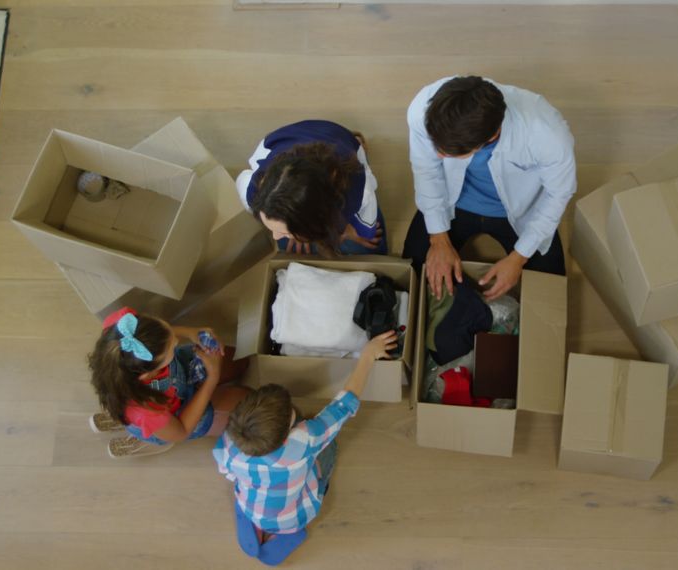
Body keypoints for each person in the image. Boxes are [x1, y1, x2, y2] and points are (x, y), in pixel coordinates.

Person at [213, 331, 397, 566]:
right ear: (287, 434)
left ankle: (261, 524)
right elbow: (344, 405)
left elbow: (226, 470)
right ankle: (284, 530)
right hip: (296, 516)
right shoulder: (303, 440)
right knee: (329, 447)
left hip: (252, 507)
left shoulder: (230, 440)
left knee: (258, 497)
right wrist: (368, 355)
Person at [402, 76, 576, 300]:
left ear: (491, 137)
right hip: (452, 201)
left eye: (448, 152)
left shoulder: (547, 134)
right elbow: (427, 170)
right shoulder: (423, 108)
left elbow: (558, 194)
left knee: (549, 292)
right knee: (411, 278)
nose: (437, 155)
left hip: (520, 209)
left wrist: (518, 257)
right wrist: (438, 239)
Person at [87, 307, 251, 459]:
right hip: (178, 418)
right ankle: (148, 436)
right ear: (146, 374)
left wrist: (189, 332)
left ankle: (131, 422)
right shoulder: (145, 409)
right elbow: (181, 431)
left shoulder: (124, 325)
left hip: (175, 379)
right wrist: (212, 379)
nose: (177, 341)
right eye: (171, 347)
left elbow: (159, 334)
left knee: (241, 360)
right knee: (248, 405)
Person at [237, 120, 387, 255]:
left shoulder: (356, 188)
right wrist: (294, 231)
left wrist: (355, 231)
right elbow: (242, 179)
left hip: (339, 140)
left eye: (285, 231)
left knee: (370, 245)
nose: (274, 236)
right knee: (290, 248)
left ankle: (355, 142)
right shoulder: (254, 191)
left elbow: (367, 222)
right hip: (283, 140)